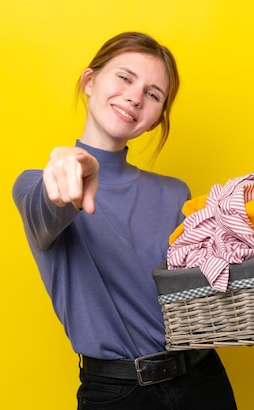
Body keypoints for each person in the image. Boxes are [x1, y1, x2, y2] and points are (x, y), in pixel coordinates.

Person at [13, 32, 238, 409]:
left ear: (155, 120)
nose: (135, 96)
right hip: (118, 395)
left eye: (153, 94)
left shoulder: (175, 194)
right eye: (124, 77)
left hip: (203, 379)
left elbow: (209, 281)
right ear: (89, 82)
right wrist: (70, 171)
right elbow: (48, 209)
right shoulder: (39, 183)